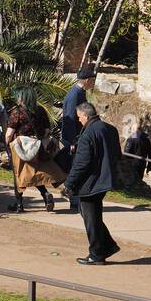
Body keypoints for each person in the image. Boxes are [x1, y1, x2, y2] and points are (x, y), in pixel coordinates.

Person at [64, 100, 122, 265]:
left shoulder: (88, 133)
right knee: (92, 215)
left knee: (91, 218)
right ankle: (107, 246)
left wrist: (69, 184)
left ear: (86, 115)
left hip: (91, 182)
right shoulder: (109, 129)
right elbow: (117, 154)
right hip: (104, 179)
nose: (79, 120)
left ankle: (97, 254)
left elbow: (82, 163)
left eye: (79, 117)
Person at [5, 87, 65, 212]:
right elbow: (48, 130)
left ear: (23, 97)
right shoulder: (41, 110)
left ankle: (19, 204)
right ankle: (45, 195)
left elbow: (9, 133)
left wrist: (7, 143)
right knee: (32, 173)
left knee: (19, 173)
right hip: (37, 147)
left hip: (21, 147)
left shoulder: (17, 112)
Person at [60, 64, 96, 211]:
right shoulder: (75, 94)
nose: (93, 83)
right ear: (87, 80)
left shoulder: (79, 93)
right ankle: (74, 200)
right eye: (92, 80)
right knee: (75, 168)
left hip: (77, 136)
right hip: (73, 139)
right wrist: (73, 140)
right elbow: (69, 118)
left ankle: (75, 199)